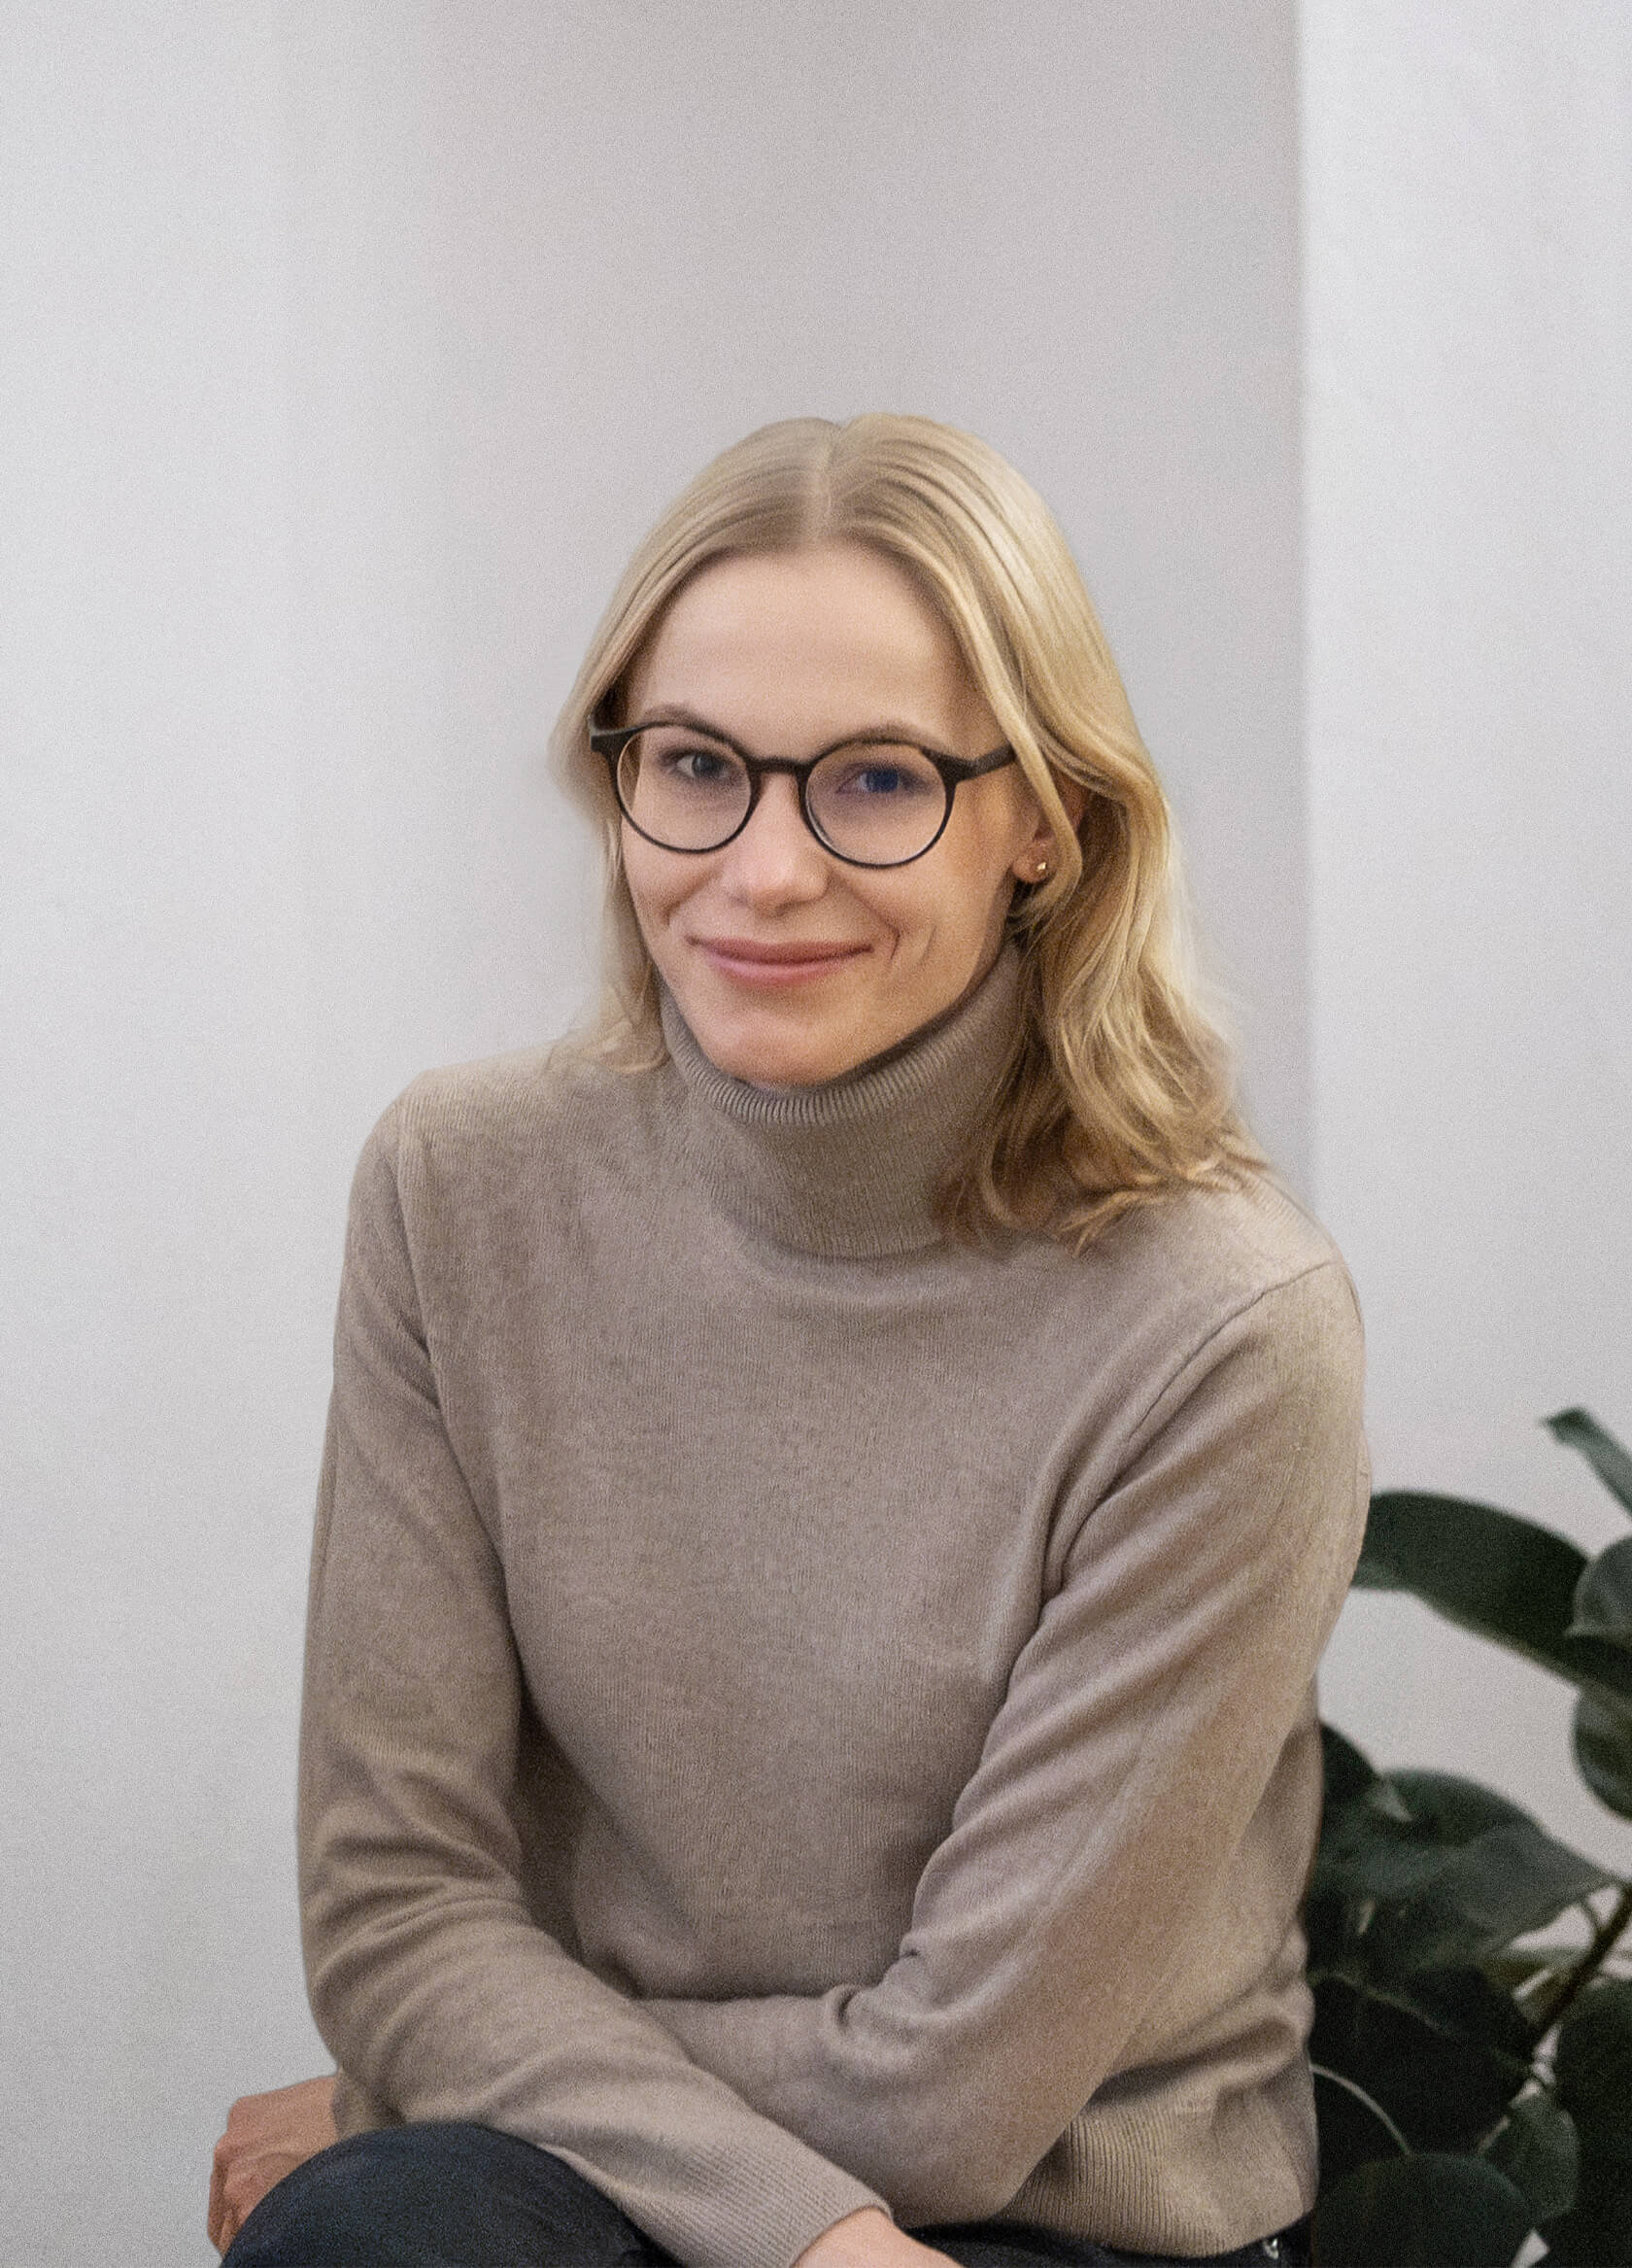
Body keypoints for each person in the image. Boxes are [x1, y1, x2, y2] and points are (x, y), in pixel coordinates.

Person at [209, 413, 1368, 2268]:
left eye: (877, 780)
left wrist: (410, 2077)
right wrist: (810, 2238)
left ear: (1045, 821)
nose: (761, 871)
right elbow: (394, 1909)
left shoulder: (1225, 1327)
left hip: (1054, 2214)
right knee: (388, 2239)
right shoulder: (462, 1189)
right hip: (586, 2180)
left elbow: (950, 2096)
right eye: (696, 765)